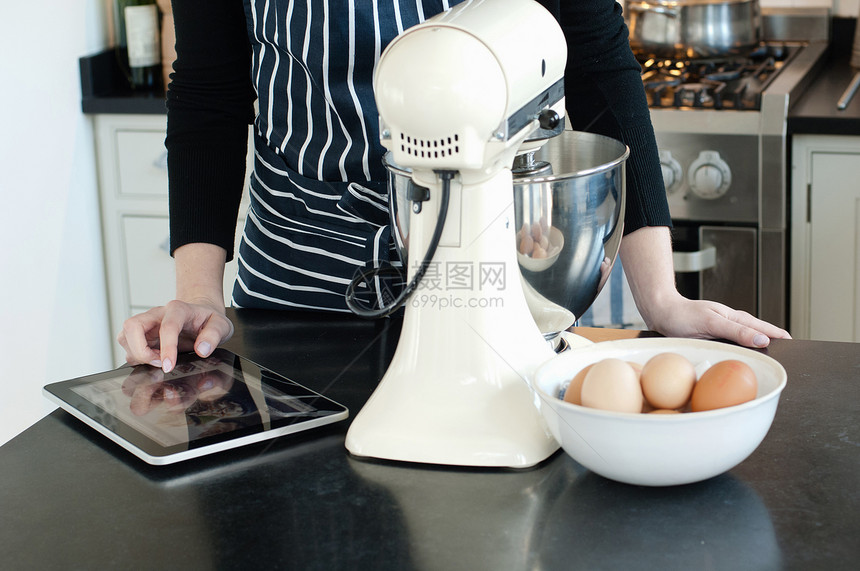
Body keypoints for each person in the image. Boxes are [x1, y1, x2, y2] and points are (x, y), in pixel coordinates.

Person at [119, 0, 790, 373]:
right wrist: (198, 294)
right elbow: (210, 85)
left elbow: (597, 63)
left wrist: (661, 299)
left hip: (491, 271)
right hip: (299, 291)